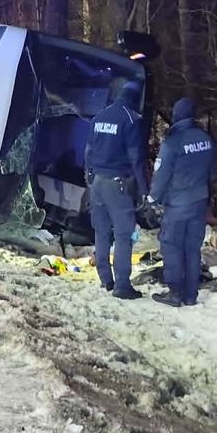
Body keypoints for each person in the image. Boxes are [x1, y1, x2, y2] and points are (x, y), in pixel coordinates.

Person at [149, 97, 217, 308]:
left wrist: (153, 199)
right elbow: (212, 171)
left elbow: (161, 175)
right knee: (192, 248)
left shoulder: (173, 142)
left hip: (178, 203)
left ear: (177, 115)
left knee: (171, 246)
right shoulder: (205, 139)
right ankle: (190, 294)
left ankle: (175, 293)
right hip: (199, 201)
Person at [85, 76, 147, 300]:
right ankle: (122, 284)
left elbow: (88, 152)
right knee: (123, 234)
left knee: (101, 232)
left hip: (97, 183)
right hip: (118, 184)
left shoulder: (100, 116)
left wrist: (89, 179)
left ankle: (106, 279)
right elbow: (136, 158)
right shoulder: (131, 119)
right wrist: (142, 189)